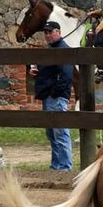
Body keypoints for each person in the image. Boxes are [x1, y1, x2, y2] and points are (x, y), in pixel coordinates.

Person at [29, 21, 73, 171]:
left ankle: (65, 167)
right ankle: (56, 166)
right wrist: (37, 72)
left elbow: (66, 76)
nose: (47, 35)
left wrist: (54, 93)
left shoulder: (62, 49)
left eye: (50, 32)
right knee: (52, 134)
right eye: (46, 33)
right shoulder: (52, 49)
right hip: (49, 96)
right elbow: (52, 73)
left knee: (60, 133)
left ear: (58, 32)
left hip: (56, 97)